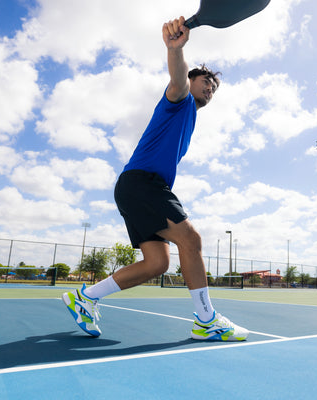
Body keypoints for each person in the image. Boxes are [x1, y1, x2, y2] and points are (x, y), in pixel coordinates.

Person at [62, 16, 249, 342]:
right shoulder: (179, 101)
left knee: (157, 263)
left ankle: (85, 297)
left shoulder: (189, 116)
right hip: (142, 183)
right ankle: (206, 320)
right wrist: (175, 50)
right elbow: (177, 80)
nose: (210, 88)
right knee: (191, 240)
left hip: (136, 187)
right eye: (206, 81)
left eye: (214, 87)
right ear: (193, 81)